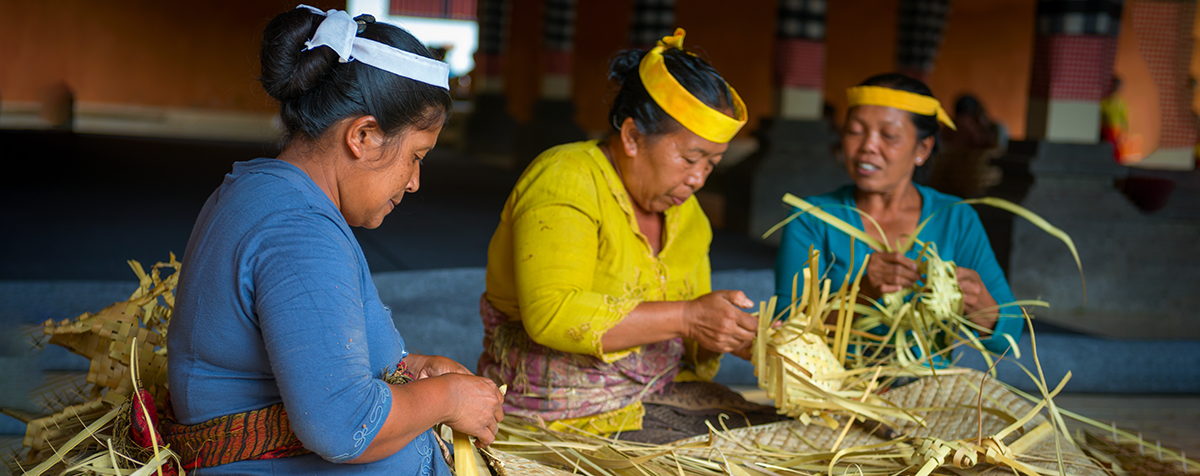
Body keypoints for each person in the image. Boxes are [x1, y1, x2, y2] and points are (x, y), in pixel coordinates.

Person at [164, 6, 503, 474]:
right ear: (363, 135)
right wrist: (446, 398)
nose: (414, 182)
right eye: (415, 156)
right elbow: (344, 428)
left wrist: (412, 370)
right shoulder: (299, 234)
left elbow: (315, 356)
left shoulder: (261, 191)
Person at [478, 29, 779, 444]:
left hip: (659, 393)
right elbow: (550, 314)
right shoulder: (566, 178)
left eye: (712, 163)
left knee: (786, 438)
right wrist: (690, 317)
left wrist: (728, 334)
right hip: (561, 408)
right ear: (633, 137)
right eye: (690, 158)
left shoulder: (690, 216)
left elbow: (689, 339)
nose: (698, 178)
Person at [774, 73, 1022, 358]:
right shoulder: (812, 218)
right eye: (855, 131)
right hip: (833, 391)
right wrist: (862, 293)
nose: (868, 146)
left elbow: (1008, 340)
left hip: (928, 394)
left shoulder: (955, 218)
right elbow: (785, 331)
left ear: (923, 148)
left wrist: (980, 306)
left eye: (889, 136)